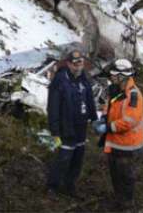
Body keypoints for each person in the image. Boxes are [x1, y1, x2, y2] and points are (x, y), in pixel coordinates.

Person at [94, 59, 143, 210]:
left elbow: (129, 121)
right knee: (115, 176)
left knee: (126, 178)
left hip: (128, 147)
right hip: (115, 144)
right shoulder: (115, 90)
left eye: (114, 75)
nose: (111, 77)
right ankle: (119, 201)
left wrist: (107, 127)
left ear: (123, 76)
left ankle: (127, 205)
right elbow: (108, 106)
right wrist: (103, 118)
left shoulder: (133, 96)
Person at [46, 49, 97, 199]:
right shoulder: (60, 80)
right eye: (75, 64)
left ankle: (70, 185)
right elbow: (53, 107)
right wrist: (54, 130)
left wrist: (94, 117)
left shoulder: (83, 78)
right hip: (66, 127)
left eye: (80, 63)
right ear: (68, 64)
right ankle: (53, 187)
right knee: (63, 157)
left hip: (81, 127)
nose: (78, 67)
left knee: (78, 158)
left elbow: (89, 98)